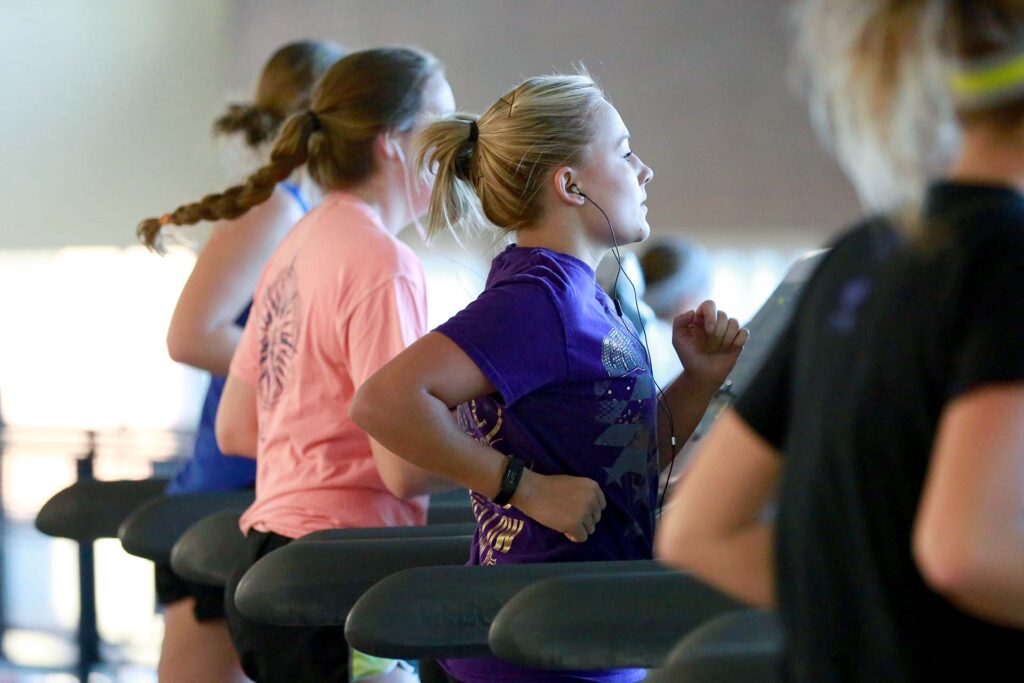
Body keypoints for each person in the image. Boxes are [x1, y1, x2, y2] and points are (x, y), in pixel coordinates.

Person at [656, 1, 1024, 681]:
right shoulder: (1006, 259)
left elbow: (699, 529)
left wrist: (882, 615)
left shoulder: (860, 254)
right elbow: (964, 550)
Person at [351, 72, 748, 683]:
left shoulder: (584, 296)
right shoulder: (540, 299)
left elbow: (625, 458)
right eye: (622, 150)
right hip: (537, 648)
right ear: (568, 184)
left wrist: (697, 381)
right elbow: (384, 402)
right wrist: (522, 486)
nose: (644, 171)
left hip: (584, 632)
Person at [194, 46, 452, 682]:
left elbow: (237, 426)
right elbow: (402, 464)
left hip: (268, 566)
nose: (457, 146)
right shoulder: (381, 260)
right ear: (393, 141)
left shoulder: (299, 241)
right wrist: (519, 461)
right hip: (339, 575)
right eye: (443, 122)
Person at [137, 40, 343, 683]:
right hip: (225, 490)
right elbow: (191, 336)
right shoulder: (278, 209)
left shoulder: (314, 213)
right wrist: (310, 375)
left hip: (271, 486)